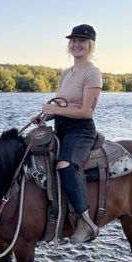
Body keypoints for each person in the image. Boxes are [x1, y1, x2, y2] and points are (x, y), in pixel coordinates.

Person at [37, 24, 102, 242]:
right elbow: (61, 105)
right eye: (73, 41)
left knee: (64, 165)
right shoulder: (67, 74)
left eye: (81, 41)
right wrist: (45, 116)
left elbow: (86, 111)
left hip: (81, 130)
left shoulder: (92, 73)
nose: (76, 45)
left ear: (90, 45)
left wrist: (54, 109)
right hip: (62, 127)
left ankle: (85, 221)